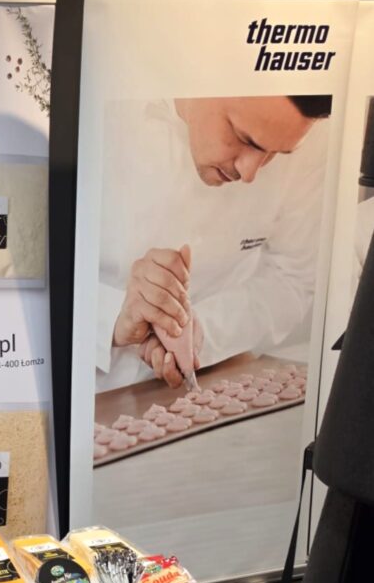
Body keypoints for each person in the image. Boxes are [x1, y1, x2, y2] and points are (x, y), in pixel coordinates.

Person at [96, 95, 331, 391]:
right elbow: (26, 280)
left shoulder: (313, 134)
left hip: (215, 378)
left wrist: (202, 331)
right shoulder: (100, 101)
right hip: (85, 388)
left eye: (276, 154)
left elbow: (294, 277)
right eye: (244, 138)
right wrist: (113, 317)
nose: (249, 174)